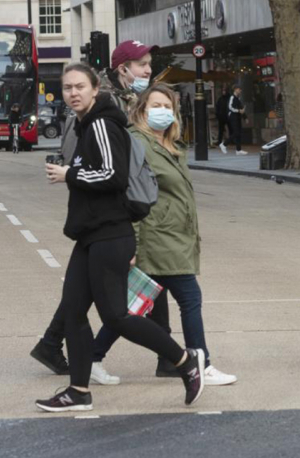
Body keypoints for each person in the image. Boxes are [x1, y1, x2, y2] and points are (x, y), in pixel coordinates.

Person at [36, 63, 204, 412]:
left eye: (80, 86)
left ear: (95, 89)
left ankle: (185, 360)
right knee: (73, 313)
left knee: (116, 317)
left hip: (110, 234)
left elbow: (114, 175)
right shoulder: (88, 122)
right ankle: (78, 391)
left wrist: (71, 174)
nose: (73, 93)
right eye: (67, 88)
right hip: (92, 233)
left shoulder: (100, 123)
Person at [88, 84, 237, 387]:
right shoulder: (136, 143)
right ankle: (202, 364)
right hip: (157, 238)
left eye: (168, 107)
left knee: (132, 307)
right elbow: (131, 195)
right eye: (155, 105)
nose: (162, 112)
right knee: (189, 297)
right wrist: (135, 244)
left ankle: (91, 357)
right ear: (142, 110)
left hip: (174, 237)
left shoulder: (171, 145)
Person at [29, 39, 158, 374]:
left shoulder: (128, 100)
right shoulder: (102, 106)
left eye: (148, 64)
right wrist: (76, 174)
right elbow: (88, 158)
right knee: (110, 305)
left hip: (110, 210)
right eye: (142, 64)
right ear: (123, 68)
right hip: (107, 213)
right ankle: (179, 360)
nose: (148, 70)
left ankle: (59, 350)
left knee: (84, 293)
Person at [224, 86, 247, 155]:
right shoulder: (232, 97)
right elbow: (230, 107)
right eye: (239, 89)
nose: (240, 91)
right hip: (232, 117)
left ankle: (238, 150)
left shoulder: (238, 98)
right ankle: (224, 144)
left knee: (239, 133)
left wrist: (245, 117)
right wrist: (238, 111)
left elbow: (241, 108)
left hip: (237, 117)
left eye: (241, 89)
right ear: (235, 89)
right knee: (236, 132)